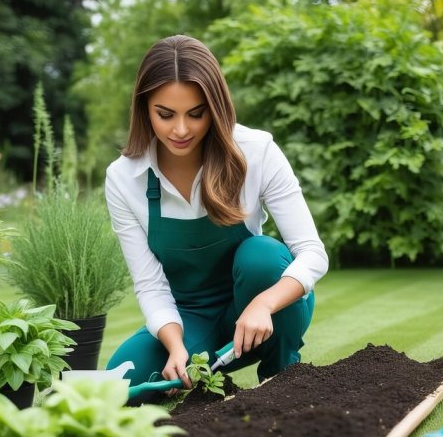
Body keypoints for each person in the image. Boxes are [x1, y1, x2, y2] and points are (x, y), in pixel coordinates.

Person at [104, 35, 328, 400]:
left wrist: (263, 304)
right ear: (144, 107)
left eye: (196, 113)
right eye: (165, 114)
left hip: (262, 307)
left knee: (262, 256)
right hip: (189, 317)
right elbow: (150, 285)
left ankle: (282, 377)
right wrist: (175, 347)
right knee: (121, 382)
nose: (180, 130)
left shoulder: (256, 152)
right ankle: (200, 367)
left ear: (215, 107)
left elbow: (313, 254)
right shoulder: (123, 178)